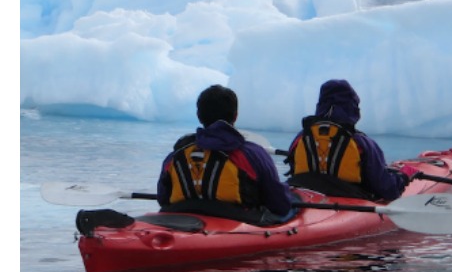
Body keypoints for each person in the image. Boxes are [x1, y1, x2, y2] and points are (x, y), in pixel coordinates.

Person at [157, 84, 295, 223]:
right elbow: (280, 205)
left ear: (199, 117)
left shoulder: (174, 157)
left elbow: (163, 199)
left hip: (181, 220)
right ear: (235, 116)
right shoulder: (253, 154)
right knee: (293, 211)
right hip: (239, 223)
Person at [285, 79, 416, 201]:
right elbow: (388, 190)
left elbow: (294, 168)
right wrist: (404, 177)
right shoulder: (362, 143)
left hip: (303, 197)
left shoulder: (301, 138)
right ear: (352, 106)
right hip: (349, 199)